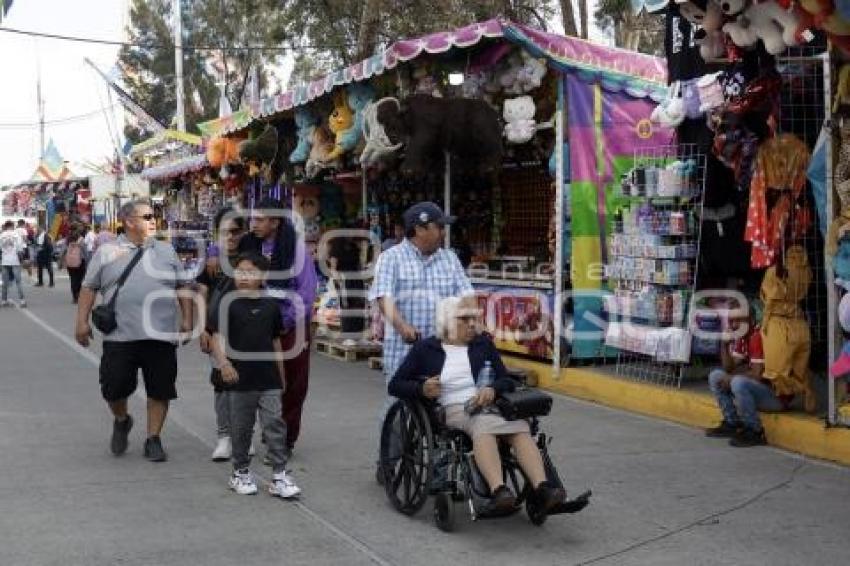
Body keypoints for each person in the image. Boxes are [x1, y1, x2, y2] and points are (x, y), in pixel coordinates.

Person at [389, 296, 565, 513]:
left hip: (490, 404)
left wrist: (493, 389)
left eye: (474, 318)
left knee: (520, 428)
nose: (473, 323)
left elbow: (505, 379)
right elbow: (395, 385)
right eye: (465, 318)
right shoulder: (425, 349)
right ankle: (498, 490)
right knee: (483, 425)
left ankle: (543, 487)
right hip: (453, 408)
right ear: (447, 321)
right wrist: (421, 389)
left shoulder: (483, 344)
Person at [75, 201, 193, 462]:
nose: (154, 220)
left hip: (160, 335)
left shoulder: (166, 250)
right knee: (114, 388)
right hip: (120, 335)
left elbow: (182, 286)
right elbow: (88, 287)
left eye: (155, 216)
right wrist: (81, 322)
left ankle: (153, 439)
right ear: (128, 221)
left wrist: (187, 319)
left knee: (160, 389)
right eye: (147, 216)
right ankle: (122, 419)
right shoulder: (107, 251)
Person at [369, 201, 474, 481]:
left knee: (448, 403)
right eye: (439, 227)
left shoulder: (449, 258)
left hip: (443, 348)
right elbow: (384, 298)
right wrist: (402, 326)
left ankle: (446, 467)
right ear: (419, 229)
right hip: (404, 347)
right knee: (398, 403)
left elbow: (466, 293)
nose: (443, 233)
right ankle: (388, 460)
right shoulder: (391, 258)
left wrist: (471, 320)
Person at [208, 252, 301, 498]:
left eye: (251, 272)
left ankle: (279, 475)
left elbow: (276, 343)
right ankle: (240, 472)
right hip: (239, 378)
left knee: (274, 425)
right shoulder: (228, 303)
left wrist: (281, 378)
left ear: (263, 276)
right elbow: (216, 338)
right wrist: (224, 364)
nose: (245, 277)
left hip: (268, 377)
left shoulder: (271, 306)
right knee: (241, 428)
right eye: (240, 271)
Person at [239, 198, 317, 457]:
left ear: (275, 222)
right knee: (255, 382)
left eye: (259, 219)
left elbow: (305, 295)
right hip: (256, 325)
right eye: (252, 219)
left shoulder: (296, 251)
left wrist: (283, 323)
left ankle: (285, 438)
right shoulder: (250, 247)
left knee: (293, 384)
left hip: (290, 327)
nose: (254, 224)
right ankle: (252, 432)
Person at [197, 207, 247, 461]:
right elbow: (202, 295)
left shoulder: (251, 259)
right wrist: (203, 328)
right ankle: (224, 437)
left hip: (248, 332)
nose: (230, 237)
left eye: (235, 232)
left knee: (245, 385)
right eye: (224, 232)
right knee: (222, 384)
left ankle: (243, 435)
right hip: (218, 332)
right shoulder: (212, 264)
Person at [705, 300, 778, 447]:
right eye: (731, 321)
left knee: (737, 382)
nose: (734, 325)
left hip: (775, 397)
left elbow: (757, 374)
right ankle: (732, 423)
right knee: (716, 376)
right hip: (756, 393)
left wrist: (731, 378)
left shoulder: (757, 336)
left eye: (739, 320)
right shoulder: (742, 337)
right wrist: (724, 345)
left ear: (751, 320)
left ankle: (755, 431)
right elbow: (729, 368)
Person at [0, 220, 26, 307]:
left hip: (5, 261)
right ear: (11, 226)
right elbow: (20, 249)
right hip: (15, 260)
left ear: (6, 226)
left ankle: (4, 300)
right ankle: (22, 301)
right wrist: (23, 260)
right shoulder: (16, 235)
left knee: (5, 282)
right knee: (18, 281)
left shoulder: (1, 235)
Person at [63, 227, 87, 303]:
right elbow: (85, 251)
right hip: (80, 262)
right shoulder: (82, 240)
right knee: (79, 279)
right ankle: (78, 295)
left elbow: (63, 250)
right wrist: (88, 261)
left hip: (70, 262)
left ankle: (74, 297)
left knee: (73, 279)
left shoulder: (68, 239)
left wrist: (61, 260)